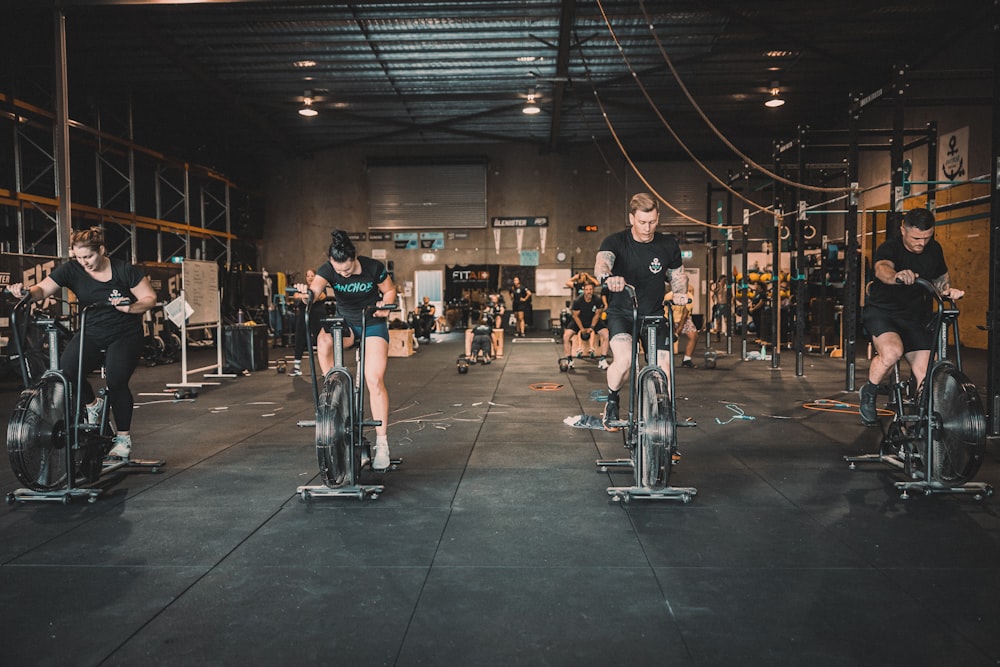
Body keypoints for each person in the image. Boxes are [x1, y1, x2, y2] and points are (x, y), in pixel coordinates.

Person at [9, 227, 157, 459]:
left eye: (88, 256)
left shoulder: (124, 270)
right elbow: (42, 290)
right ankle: (93, 404)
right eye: (79, 257)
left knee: (116, 380)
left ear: (101, 250)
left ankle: (123, 439)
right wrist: (26, 291)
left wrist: (130, 307)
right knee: (66, 372)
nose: (84, 262)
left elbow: (149, 298)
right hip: (92, 330)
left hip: (124, 333)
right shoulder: (72, 269)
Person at [858, 208, 964, 426]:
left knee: (927, 370)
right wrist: (896, 275)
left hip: (915, 316)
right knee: (892, 353)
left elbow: (941, 277)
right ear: (903, 230)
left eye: (927, 237)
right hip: (883, 312)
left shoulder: (934, 249)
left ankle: (921, 414)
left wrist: (946, 290)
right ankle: (868, 393)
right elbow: (882, 269)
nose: (921, 243)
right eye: (916, 238)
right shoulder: (890, 247)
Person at [595, 192, 688, 431]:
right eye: (642, 222)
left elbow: (677, 276)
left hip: (654, 316)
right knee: (625, 361)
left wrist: (679, 293)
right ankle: (612, 401)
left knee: (664, 369)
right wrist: (608, 278)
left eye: (653, 222)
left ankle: (663, 427)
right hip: (623, 315)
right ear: (631, 218)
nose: (648, 228)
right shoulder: (615, 242)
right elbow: (602, 264)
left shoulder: (668, 245)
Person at [309, 230, 398, 469]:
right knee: (324, 337)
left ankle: (382, 444)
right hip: (346, 324)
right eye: (338, 271)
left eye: (347, 270)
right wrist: (305, 294)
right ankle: (333, 388)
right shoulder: (328, 269)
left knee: (374, 379)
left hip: (372, 324)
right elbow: (315, 291)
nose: (342, 274)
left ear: (355, 258)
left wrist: (385, 306)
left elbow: (390, 290)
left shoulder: (373, 268)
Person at [289, 268, 328, 376]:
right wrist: (306, 296)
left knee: (322, 341)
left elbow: (321, 296)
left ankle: (326, 369)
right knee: (299, 339)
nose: (310, 277)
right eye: (308, 276)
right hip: (303, 317)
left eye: (312, 275)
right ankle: (296, 368)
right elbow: (296, 296)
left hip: (318, 317)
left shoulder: (321, 288)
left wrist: (305, 296)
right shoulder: (302, 288)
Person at [562, 282, 609, 369]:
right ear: (584, 290)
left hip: (592, 320)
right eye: (587, 290)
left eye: (590, 289)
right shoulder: (578, 301)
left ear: (593, 290)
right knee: (566, 336)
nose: (589, 292)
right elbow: (575, 316)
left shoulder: (597, 300)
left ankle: (603, 359)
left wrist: (592, 327)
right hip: (579, 321)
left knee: (606, 334)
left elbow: (597, 314)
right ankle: (569, 360)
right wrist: (582, 329)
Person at [668, 285, 698, 368]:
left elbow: (685, 313)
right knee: (666, 340)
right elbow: (667, 313)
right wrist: (673, 329)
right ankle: (663, 360)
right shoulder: (668, 296)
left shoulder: (688, 296)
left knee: (694, 336)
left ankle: (687, 360)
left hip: (683, 319)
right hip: (670, 318)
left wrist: (680, 328)